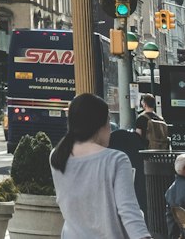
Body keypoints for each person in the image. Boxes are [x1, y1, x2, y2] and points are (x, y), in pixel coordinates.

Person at [50, 92, 151, 239]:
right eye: (108, 120)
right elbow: (128, 211)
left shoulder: (57, 156)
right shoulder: (116, 160)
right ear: (100, 124)